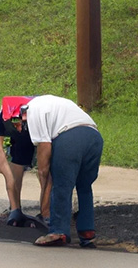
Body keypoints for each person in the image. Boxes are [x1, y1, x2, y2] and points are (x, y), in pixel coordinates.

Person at [11, 95, 103, 248]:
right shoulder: (53, 102)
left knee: (61, 186)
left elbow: (44, 145)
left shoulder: (33, 110)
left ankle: (58, 231)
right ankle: (87, 231)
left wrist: (43, 172)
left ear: (22, 114)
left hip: (69, 139)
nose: (20, 127)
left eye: (18, 123)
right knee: (84, 186)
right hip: (94, 137)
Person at [0, 96, 48, 229]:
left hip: (42, 131)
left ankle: (46, 212)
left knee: (44, 171)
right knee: (15, 165)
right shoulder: (3, 117)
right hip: (21, 136)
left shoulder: (38, 114)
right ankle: (15, 207)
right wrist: (7, 176)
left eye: (19, 124)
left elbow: (44, 168)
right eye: (14, 124)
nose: (17, 127)